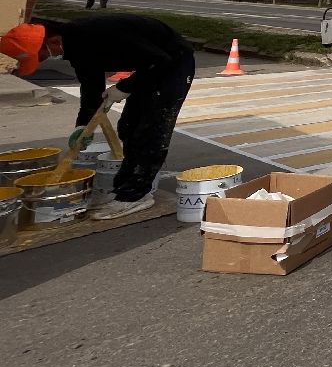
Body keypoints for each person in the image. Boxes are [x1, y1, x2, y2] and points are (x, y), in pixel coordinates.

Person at [0, 14, 195, 219]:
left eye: (42, 55)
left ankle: (136, 195)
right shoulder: (75, 47)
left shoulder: (97, 35)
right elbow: (91, 87)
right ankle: (124, 189)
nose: (46, 59)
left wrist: (124, 87)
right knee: (128, 126)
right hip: (151, 66)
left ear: (54, 40)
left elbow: (161, 60)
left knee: (150, 129)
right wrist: (82, 125)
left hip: (174, 62)